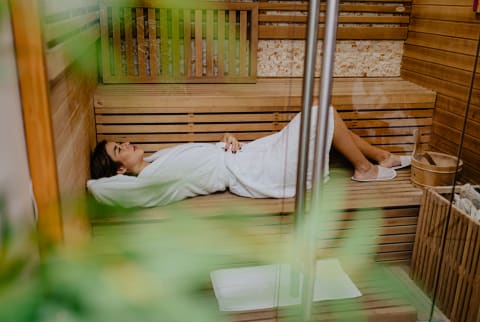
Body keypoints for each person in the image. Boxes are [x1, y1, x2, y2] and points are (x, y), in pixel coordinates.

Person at [87, 105, 411, 208]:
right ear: (118, 170)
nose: (127, 143)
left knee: (323, 117)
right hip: (257, 172)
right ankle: (365, 167)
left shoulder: (157, 161)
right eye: (120, 149)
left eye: (122, 141)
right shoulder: (150, 183)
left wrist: (225, 139)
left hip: (250, 154)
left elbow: (203, 158)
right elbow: (97, 188)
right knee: (321, 113)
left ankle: (381, 157)